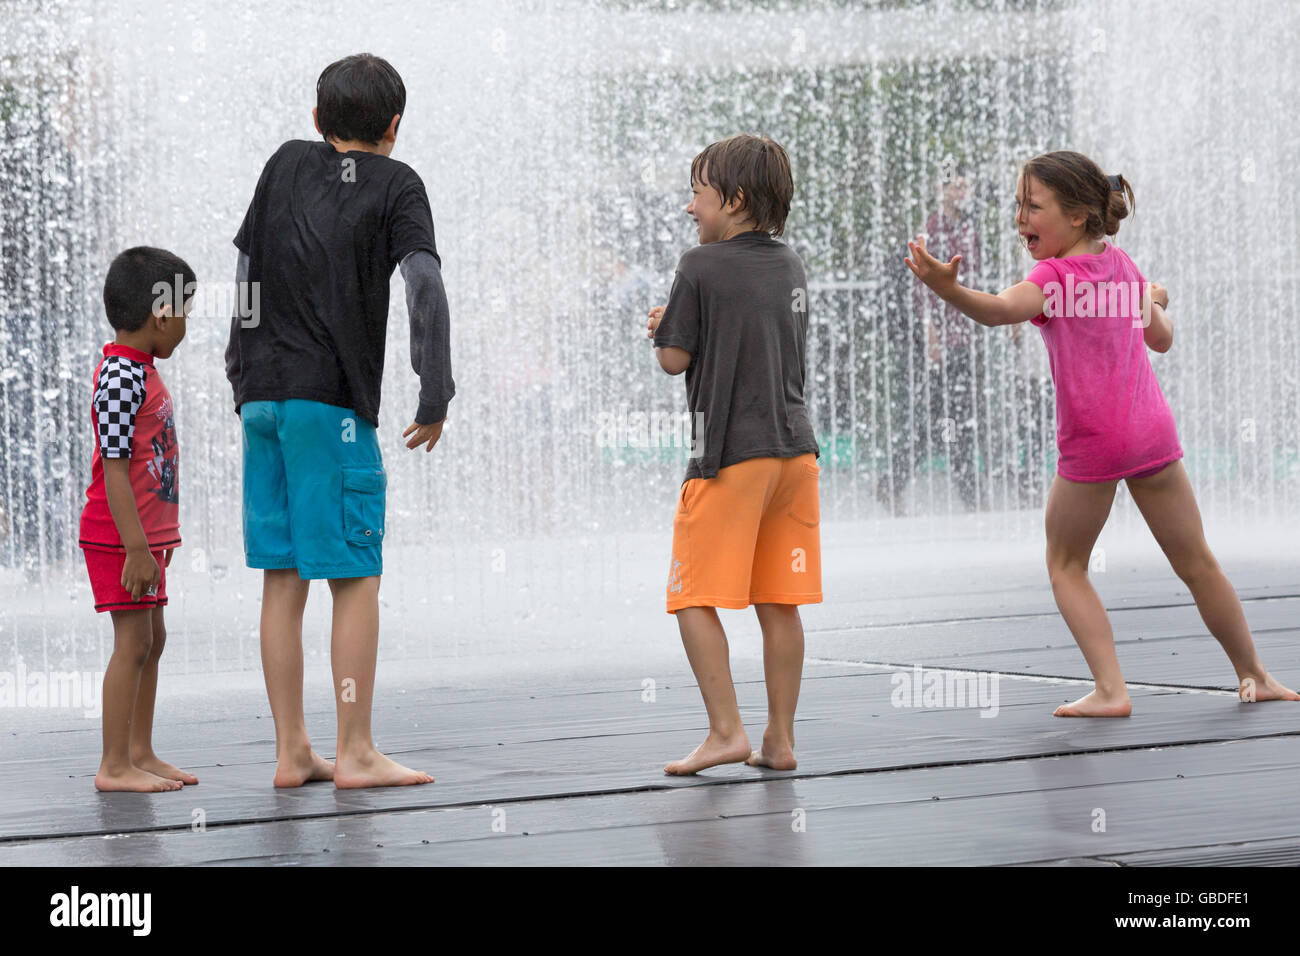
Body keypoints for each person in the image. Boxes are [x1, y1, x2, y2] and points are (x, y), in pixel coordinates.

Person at [906, 149, 1299, 716]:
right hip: (1151, 433)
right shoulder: (1121, 265)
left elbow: (998, 310)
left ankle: (1112, 690)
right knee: (1198, 563)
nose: (1020, 218)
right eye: (1018, 205)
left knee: (1066, 564)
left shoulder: (1054, 275)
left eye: (1032, 206)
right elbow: (1160, 338)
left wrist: (948, 290)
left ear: (1078, 216)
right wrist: (1150, 300)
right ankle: (1254, 674)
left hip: (1094, 439)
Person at [225, 53, 454, 788]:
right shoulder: (398, 181)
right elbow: (425, 286)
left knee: (283, 575)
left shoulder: (284, 162)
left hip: (262, 398)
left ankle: (293, 751)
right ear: (395, 125)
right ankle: (354, 749)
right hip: (330, 408)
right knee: (355, 575)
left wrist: (241, 360)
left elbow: (247, 273)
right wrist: (435, 389)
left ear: (318, 120)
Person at [648, 134, 822, 773]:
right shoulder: (792, 263)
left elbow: (674, 359)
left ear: (736, 197)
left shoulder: (700, 266)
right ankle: (780, 740)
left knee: (690, 596)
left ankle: (726, 731)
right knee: (779, 602)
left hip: (727, 456)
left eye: (697, 193)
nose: (691, 208)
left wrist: (664, 329)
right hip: (794, 455)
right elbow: (759, 334)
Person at [79, 247, 196, 792]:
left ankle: (140, 750)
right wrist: (135, 549)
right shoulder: (121, 376)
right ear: (160, 314)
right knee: (132, 644)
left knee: (153, 639)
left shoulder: (138, 370)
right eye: (185, 316)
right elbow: (117, 470)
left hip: (143, 541)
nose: (185, 330)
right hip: (119, 540)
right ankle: (113, 765)